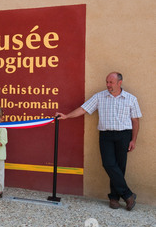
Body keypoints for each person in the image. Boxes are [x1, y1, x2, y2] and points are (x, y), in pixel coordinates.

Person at [56, 72, 142, 211]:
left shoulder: (131, 99)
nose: (108, 85)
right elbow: (83, 109)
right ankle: (128, 195)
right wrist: (67, 116)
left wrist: (133, 139)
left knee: (120, 167)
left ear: (120, 83)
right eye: (107, 82)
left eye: (111, 82)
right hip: (106, 136)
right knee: (108, 164)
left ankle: (114, 198)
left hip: (124, 135)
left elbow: (135, 121)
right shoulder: (100, 97)